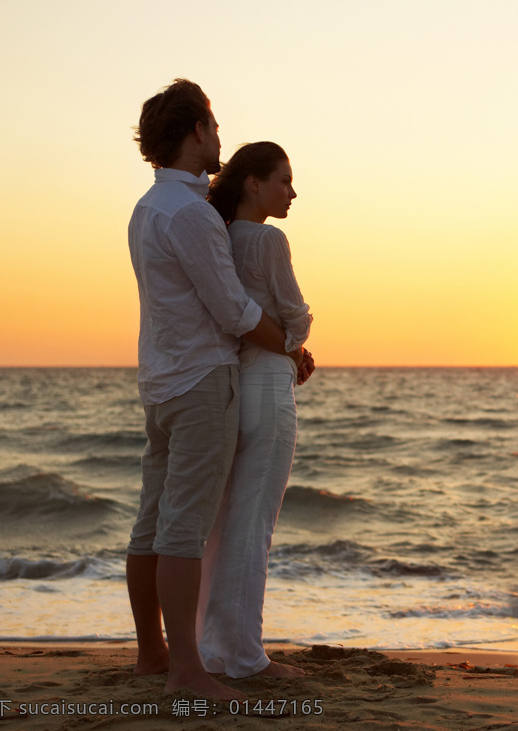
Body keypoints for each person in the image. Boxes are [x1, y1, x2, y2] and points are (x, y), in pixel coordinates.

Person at [125, 80, 304, 699]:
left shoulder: (148, 209)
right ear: (197, 130)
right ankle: (187, 671)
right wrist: (292, 345)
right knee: (184, 530)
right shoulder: (192, 215)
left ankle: (153, 654)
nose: (221, 137)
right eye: (215, 125)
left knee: (151, 524)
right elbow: (231, 310)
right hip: (203, 381)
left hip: (159, 381)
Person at [198, 141, 314, 679]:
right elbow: (295, 317)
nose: (292, 192)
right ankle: (245, 655)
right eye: (283, 180)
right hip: (269, 387)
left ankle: (213, 648)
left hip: (235, 385)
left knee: (225, 523)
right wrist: (297, 343)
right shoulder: (269, 239)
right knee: (253, 525)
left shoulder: (219, 237)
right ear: (253, 183)